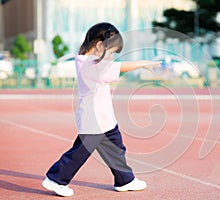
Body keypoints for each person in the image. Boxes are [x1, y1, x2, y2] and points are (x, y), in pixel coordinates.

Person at [42, 22, 160, 197]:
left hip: (104, 119)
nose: (112, 57)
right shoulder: (91, 65)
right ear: (99, 46)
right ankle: (56, 179)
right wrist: (142, 63)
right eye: (111, 52)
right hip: (93, 120)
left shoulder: (86, 61)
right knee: (79, 153)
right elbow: (120, 68)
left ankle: (125, 180)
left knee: (116, 148)